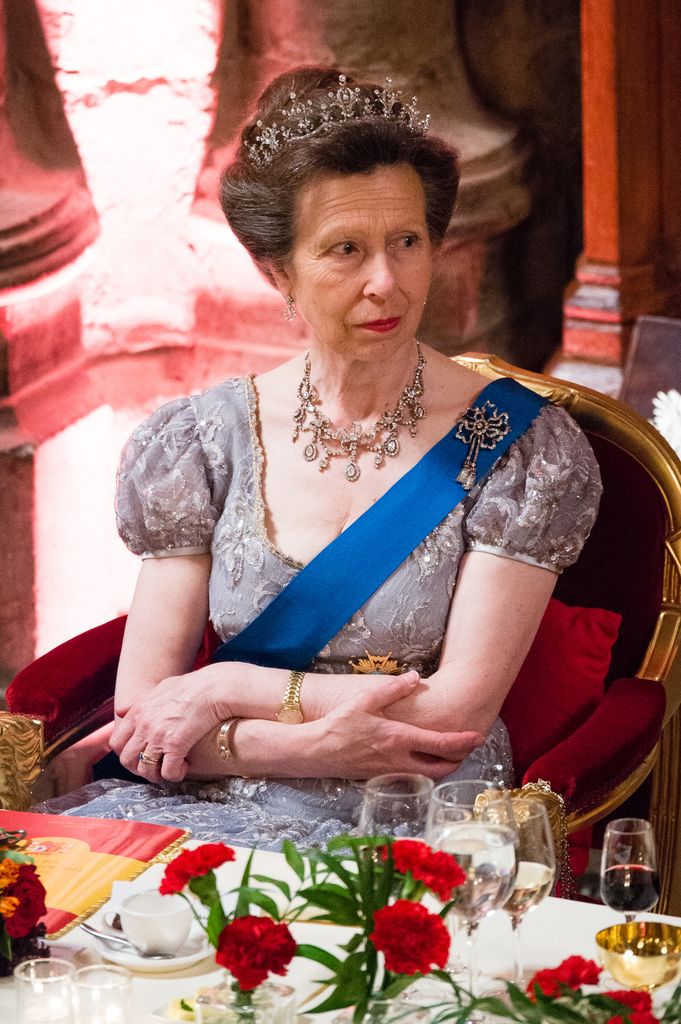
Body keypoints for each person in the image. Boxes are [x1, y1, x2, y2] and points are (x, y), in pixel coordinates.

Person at [40, 67, 601, 846]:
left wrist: (226, 686)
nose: (385, 281)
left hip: (415, 808)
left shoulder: (519, 448)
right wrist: (305, 746)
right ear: (277, 272)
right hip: (218, 796)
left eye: (406, 242)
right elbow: (146, 708)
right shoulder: (199, 443)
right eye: (345, 249)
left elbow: (453, 712)